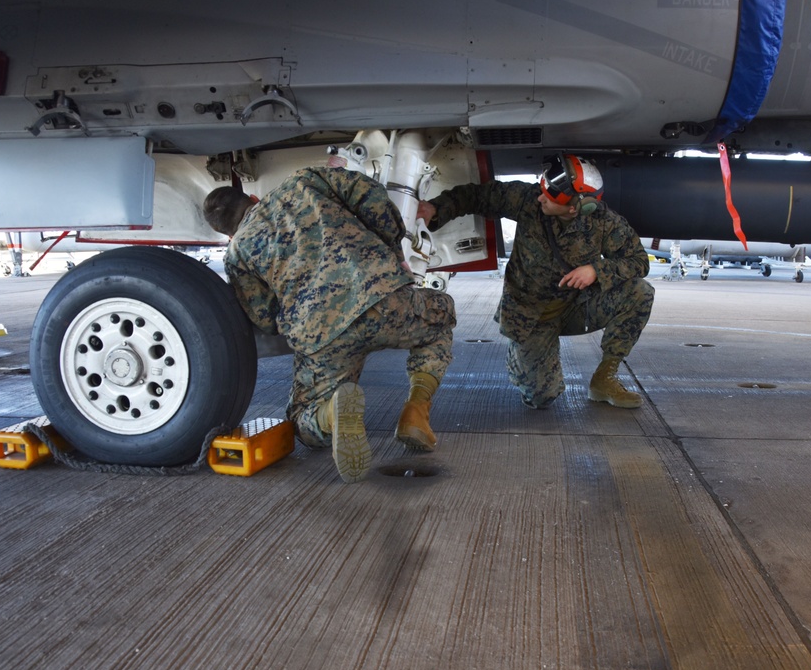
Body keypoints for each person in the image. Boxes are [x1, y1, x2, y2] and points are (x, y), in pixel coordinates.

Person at [203, 162, 456, 483]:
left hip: (323, 334)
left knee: (300, 421)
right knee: (440, 318)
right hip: (387, 298)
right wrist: (393, 249)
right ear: (253, 198)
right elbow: (372, 197)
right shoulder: (304, 179)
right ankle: (416, 413)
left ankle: (331, 415)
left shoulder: (236, 254)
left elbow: (264, 318)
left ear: (227, 233)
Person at [417, 153, 653, 409]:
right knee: (541, 397)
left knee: (640, 292)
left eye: (549, 199)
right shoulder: (529, 200)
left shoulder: (604, 222)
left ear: (574, 208)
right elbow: (479, 195)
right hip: (530, 317)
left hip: (577, 307)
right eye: (543, 191)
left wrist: (596, 270)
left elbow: (639, 261)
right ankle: (521, 356)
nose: (541, 197)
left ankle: (604, 378)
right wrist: (436, 208)